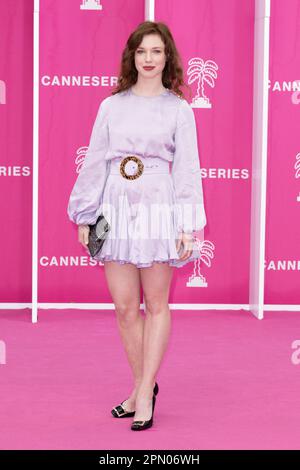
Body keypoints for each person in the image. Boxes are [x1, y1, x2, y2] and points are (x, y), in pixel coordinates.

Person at [67, 21, 207, 431]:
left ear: (168, 58)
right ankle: (140, 385)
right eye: (142, 51)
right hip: (114, 204)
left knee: (157, 304)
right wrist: (85, 212)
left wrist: (187, 226)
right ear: (132, 56)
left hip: (158, 205)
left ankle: (144, 392)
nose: (148, 59)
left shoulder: (179, 109)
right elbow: (94, 160)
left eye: (156, 52)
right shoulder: (112, 105)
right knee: (126, 306)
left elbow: (187, 171)